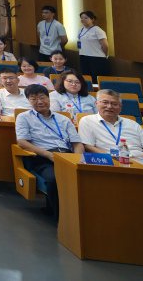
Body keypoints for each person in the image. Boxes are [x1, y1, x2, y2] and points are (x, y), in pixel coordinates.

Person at [15, 84, 85, 217]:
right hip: (44, 158)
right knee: (54, 179)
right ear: (28, 101)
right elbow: (22, 142)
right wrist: (49, 155)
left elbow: (77, 144)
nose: (39, 101)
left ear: (49, 98)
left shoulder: (64, 119)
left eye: (42, 97)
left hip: (67, 156)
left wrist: (77, 160)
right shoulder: (24, 117)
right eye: (34, 99)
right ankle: (62, 218)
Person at [78, 90, 143, 158]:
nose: (109, 106)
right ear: (96, 104)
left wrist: (142, 164)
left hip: (140, 161)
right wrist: (113, 158)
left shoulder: (132, 123)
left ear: (120, 107)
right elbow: (88, 146)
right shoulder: (87, 121)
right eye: (105, 102)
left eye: (114, 104)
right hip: (109, 161)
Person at [76, 10, 110, 81]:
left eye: (85, 18)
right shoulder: (81, 29)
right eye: (81, 18)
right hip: (83, 56)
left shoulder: (97, 30)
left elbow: (105, 45)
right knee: (86, 78)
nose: (83, 19)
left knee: (96, 78)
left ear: (92, 19)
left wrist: (105, 55)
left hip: (96, 57)